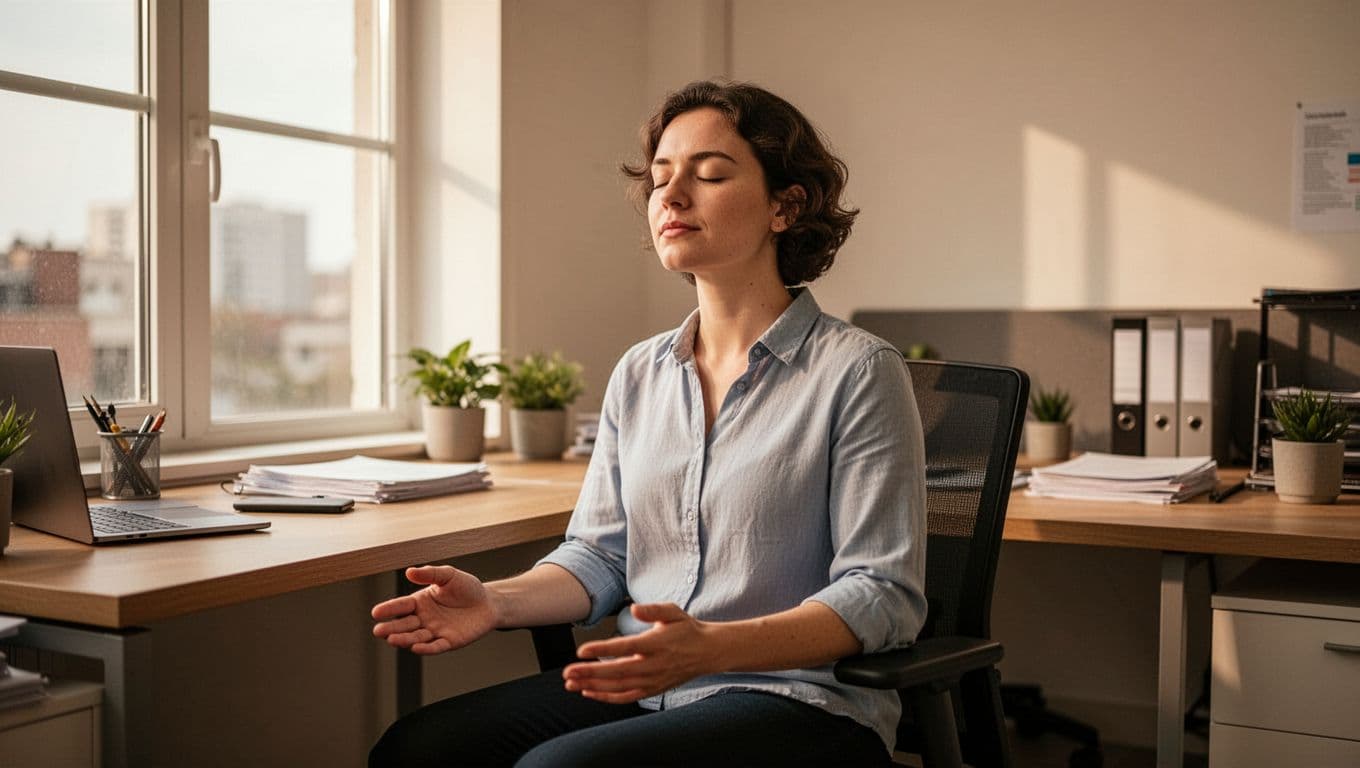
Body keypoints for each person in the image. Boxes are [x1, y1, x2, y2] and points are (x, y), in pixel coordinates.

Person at [369, 80, 927, 767]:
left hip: (799, 699)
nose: (671, 195)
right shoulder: (640, 372)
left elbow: (883, 595)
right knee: (418, 749)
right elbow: (602, 555)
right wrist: (494, 601)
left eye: (710, 174)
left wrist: (711, 647)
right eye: (662, 178)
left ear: (786, 205)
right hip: (646, 684)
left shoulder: (858, 370)